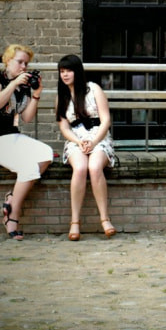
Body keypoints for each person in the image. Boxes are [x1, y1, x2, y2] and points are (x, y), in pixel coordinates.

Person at [0, 44, 53, 240]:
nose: (23, 67)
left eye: (26, 64)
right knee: (28, 167)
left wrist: (36, 93)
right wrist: (13, 84)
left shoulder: (24, 86)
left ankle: (11, 198)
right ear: (8, 60)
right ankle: (12, 217)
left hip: (12, 137)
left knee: (46, 154)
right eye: (20, 62)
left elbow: (27, 118)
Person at [55, 54, 118, 241]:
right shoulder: (61, 97)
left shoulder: (93, 88)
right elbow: (64, 128)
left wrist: (94, 141)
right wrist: (78, 141)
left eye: (69, 70)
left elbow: (106, 120)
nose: (65, 75)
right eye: (62, 71)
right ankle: (74, 222)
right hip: (76, 139)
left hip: (99, 136)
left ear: (77, 71)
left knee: (95, 167)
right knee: (81, 168)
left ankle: (105, 219)